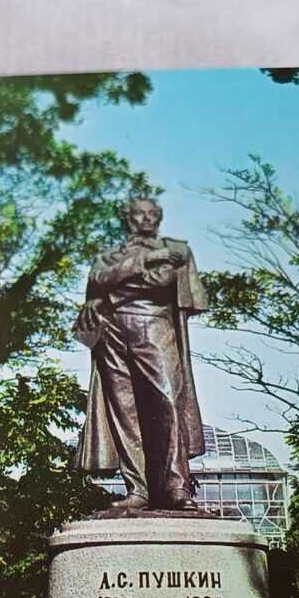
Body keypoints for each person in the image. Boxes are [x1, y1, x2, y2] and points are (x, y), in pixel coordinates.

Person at [73, 196, 208, 511]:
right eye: (139, 214)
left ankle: (177, 488)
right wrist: (146, 263)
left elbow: (163, 280)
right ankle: (138, 490)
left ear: (159, 217)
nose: (146, 219)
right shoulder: (111, 254)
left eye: (152, 214)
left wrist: (120, 279)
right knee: (124, 411)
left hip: (154, 324)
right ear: (127, 218)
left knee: (168, 403)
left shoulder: (177, 250)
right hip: (112, 330)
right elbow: (99, 278)